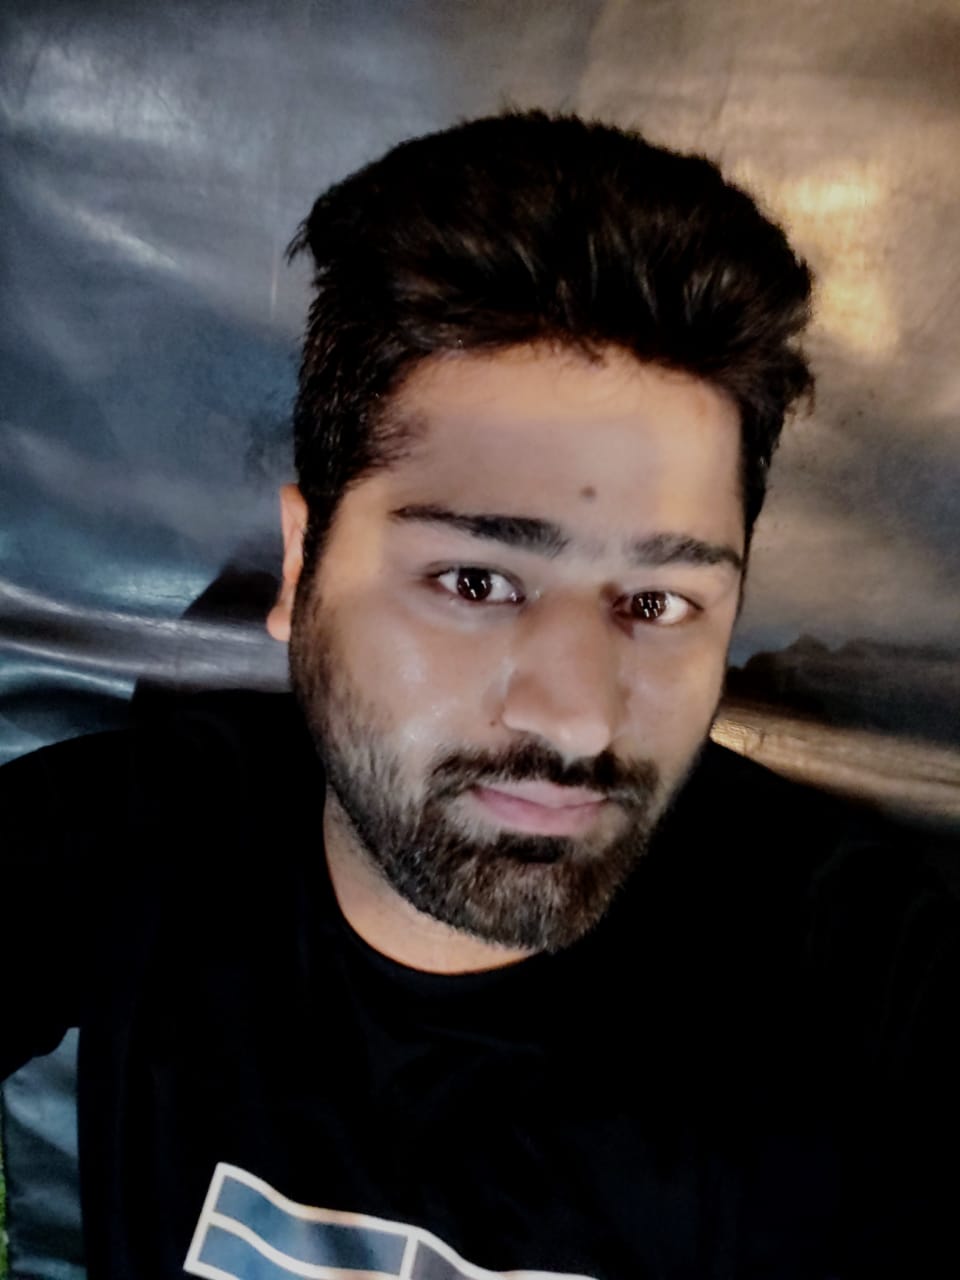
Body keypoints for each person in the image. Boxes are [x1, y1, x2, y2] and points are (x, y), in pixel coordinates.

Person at [3, 111, 957, 1280]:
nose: (579, 717)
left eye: (658, 600)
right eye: (477, 581)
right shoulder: (142, 839)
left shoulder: (854, 979)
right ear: (301, 568)